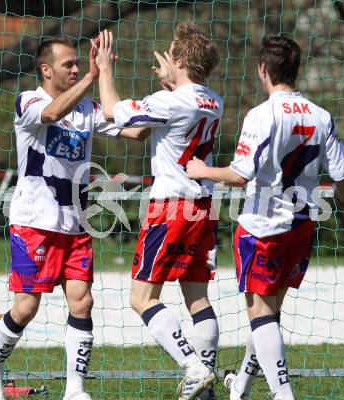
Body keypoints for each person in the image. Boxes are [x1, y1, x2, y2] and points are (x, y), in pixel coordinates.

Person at [186, 36, 344, 400]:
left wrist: (202, 169)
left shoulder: (262, 115)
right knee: (269, 315)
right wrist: (343, 203)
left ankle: (283, 393)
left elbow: (240, 174)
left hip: (263, 226)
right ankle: (241, 387)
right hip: (301, 225)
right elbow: (343, 174)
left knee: (260, 314)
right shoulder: (320, 115)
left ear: (263, 69)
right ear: (296, 69)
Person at [0, 37, 139, 400]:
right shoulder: (30, 100)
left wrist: (109, 75)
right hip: (34, 223)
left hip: (75, 224)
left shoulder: (88, 107)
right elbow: (52, 114)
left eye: (78, 64)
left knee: (82, 302)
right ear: (46, 69)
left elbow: (134, 130)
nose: (75, 68)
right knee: (26, 307)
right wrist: (91, 77)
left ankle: (75, 390)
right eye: (68, 64)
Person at [95, 24, 222, 400]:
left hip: (172, 207)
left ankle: (194, 368)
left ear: (179, 60)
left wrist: (104, 67)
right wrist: (173, 83)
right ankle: (206, 387)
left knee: (141, 298)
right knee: (198, 299)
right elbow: (143, 130)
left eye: (170, 54)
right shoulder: (214, 99)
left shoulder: (172, 101)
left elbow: (110, 110)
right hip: (203, 207)